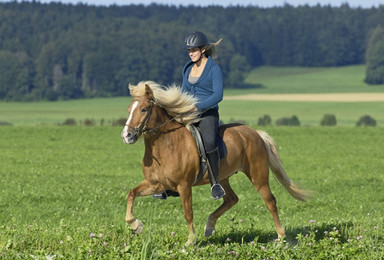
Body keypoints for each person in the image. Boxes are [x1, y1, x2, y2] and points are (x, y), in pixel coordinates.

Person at [153, 31, 225, 200]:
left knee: (209, 141)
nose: (190, 53)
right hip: (188, 112)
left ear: (203, 50)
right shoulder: (187, 68)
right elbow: (184, 91)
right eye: (189, 50)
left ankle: (215, 182)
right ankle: (169, 184)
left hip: (207, 113)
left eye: (193, 50)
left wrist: (197, 107)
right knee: (170, 137)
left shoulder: (214, 69)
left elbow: (218, 95)